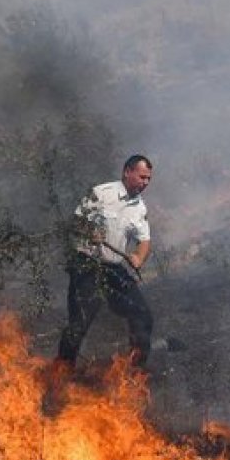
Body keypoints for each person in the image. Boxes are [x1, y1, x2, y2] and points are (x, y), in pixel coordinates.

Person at [57, 155, 154, 369]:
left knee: (142, 313)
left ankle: (135, 372)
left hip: (113, 268)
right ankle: (61, 372)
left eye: (148, 179)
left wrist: (138, 256)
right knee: (80, 323)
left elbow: (144, 240)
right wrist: (90, 231)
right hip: (87, 265)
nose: (145, 183)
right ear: (127, 172)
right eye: (142, 177)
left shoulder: (139, 208)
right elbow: (75, 222)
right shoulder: (101, 193)